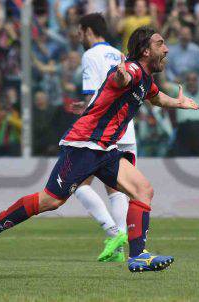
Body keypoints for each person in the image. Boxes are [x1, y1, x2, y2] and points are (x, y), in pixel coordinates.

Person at [0, 26, 199, 273]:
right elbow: (122, 79)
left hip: (106, 149)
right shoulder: (131, 70)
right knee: (51, 201)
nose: (166, 49)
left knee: (143, 190)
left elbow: (156, 98)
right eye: (160, 44)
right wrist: (121, 76)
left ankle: (138, 255)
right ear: (144, 51)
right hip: (84, 144)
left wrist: (178, 102)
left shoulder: (146, 80)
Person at [72, 13, 137, 263]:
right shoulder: (119, 54)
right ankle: (119, 246)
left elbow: (92, 95)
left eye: (80, 32)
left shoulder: (90, 55)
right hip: (126, 128)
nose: (79, 37)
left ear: (88, 31)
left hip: (103, 130)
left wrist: (85, 111)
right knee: (116, 187)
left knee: (77, 183)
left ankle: (113, 231)